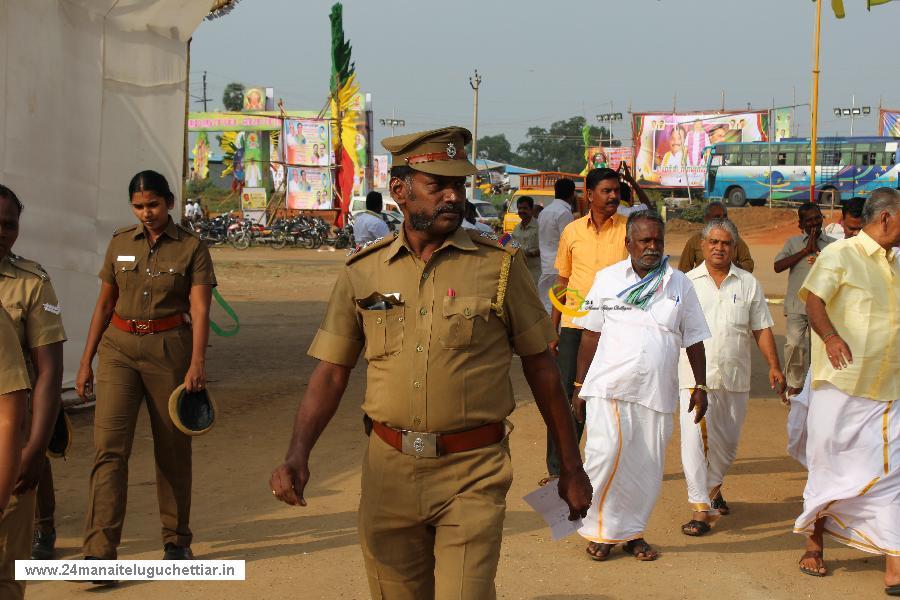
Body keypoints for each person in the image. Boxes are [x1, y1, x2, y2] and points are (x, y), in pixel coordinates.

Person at [269, 127, 592, 600]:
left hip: (473, 471)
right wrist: (298, 453)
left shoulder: (498, 268)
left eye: (458, 185)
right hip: (388, 473)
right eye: (436, 184)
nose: (452, 196)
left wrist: (570, 465)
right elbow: (332, 371)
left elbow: (541, 368)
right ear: (399, 190)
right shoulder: (364, 271)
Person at [75, 170, 216, 564]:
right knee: (109, 451)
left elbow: (201, 309)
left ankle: (176, 541)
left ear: (169, 202)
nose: (146, 213)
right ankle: (99, 552)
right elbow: (104, 304)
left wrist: (197, 363)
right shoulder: (120, 242)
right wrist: (86, 362)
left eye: (153, 204)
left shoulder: (192, 248)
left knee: (172, 449)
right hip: (118, 349)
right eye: (138, 206)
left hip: (169, 351)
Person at [573, 210, 711, 562]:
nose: (652, 247)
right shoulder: (606, 279)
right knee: (604, 456)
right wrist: (578, 384)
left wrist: (701, 385)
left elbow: (694, 338)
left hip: (656, 391)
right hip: (609, 385)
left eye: (658, 241)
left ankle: (632, 533)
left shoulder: (679, 283)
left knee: (644, 467)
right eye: (645, 240)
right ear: (629, 243)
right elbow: (590, 335)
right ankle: (596, 528)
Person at [792, 188, 899, 596]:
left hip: (891, 386)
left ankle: (894, 563)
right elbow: (814, 303)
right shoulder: (841, 254)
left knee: (891, 474)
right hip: (842, 385)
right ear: (886, 218)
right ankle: (814, 542)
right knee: (829, 466)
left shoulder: (898, 262)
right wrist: (832, 337)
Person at [677, 218, 785, 536]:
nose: (719, 248)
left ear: (734, 248)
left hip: (735, 377)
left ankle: (711, 490)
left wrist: (774, 366)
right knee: (694, 442)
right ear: (702, 246)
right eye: (713, 242)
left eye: (725, 243)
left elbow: (762, 328)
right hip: (694, 378)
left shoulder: (748, 283)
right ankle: (701, 508)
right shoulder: (686, 283)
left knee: (727, 446)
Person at [0, 185, 65, 597]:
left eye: (9, 224)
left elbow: (49, 370)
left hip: (10, 433)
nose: (2, 232)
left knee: (6, 568)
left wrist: (36, 447)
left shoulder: (32, 282)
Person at [545, 168, 628, 483]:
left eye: (616, 190)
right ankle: (559, 468)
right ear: (589, 195)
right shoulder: (572, 232)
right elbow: (563, 281)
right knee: (566, 396)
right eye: (606, 191)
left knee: (609, 397)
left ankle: (607, 465)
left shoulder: (628, 231)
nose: (613, 196)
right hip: (575, 325)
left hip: (616, 328)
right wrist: (552, 328)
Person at [785, 197, 865, 468]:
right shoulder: (831, 250)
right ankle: (795, 389)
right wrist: (830, 337)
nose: (857, 235)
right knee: (796, 347)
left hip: (865, 360)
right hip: (810, 321)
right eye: (852, 229)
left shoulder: (838, 248)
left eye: (818, 219)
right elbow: (812, 299)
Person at [773, 203, 835, 396]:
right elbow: (778, 266)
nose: (814, 222)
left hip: (823, 307)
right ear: (801, 224)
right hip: (796, 305)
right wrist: (805, 251)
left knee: (820, 348)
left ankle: (817, 387)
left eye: (817, 218)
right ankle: (795, 384)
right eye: (809, 220)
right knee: (794, 345)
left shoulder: (833, 244)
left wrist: (818, 252)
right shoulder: (793, 243)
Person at [678, 202, 755, 272]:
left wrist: (732, 268)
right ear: (706, 218)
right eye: (717, 216)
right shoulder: (694, 241)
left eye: (725, 216)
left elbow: (748, 263)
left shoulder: (734, 239)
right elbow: (684, 268)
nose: (722, 219)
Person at [536, 178, 576, 313]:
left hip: (546, 265)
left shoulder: (544, 212)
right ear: (572, 194)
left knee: (545, 302)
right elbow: (569, 242)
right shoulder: (564, 213)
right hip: (559, 267)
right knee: (555, 305)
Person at [510, 196, 540, 284]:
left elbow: (544, 248)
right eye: (520, 208)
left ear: (531, 210)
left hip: (535, 273)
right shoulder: (516, 228)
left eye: (525, 208)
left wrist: (530, 253)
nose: (522, 211)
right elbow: (511, 245)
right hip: (519, 272)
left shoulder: (539, 227)